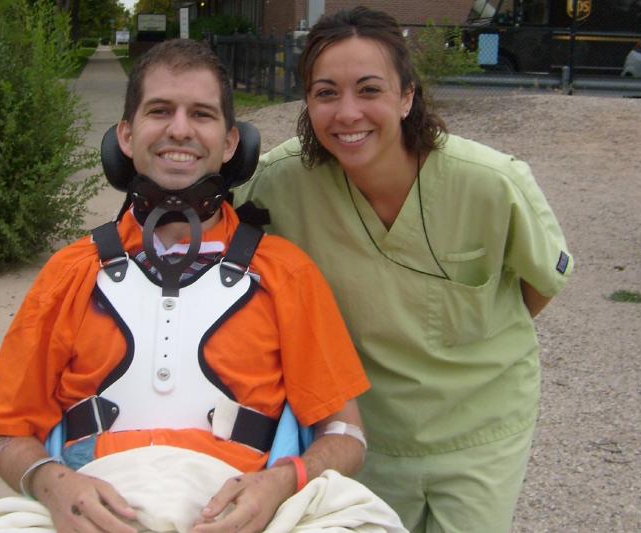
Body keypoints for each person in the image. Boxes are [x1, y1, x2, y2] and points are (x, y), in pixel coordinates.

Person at [0, 39, 375, 533]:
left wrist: (283, 482)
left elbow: (346, 433)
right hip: (95, 500)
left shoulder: (284, 272)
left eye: (202, 114)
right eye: (160, 111)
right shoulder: (70, 273)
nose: (180, 130)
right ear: (126, 134)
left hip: (249, 505)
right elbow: (8, 433)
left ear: (231, 142)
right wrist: (52, 485)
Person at [233, 7, 574, 533]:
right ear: (308, 102)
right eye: (326, 93)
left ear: (407, 96)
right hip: (359, 434)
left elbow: (540, 286)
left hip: (480, 432)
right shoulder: (279, 185)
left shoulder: (489, 182)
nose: (348, 113)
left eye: (369, 90)